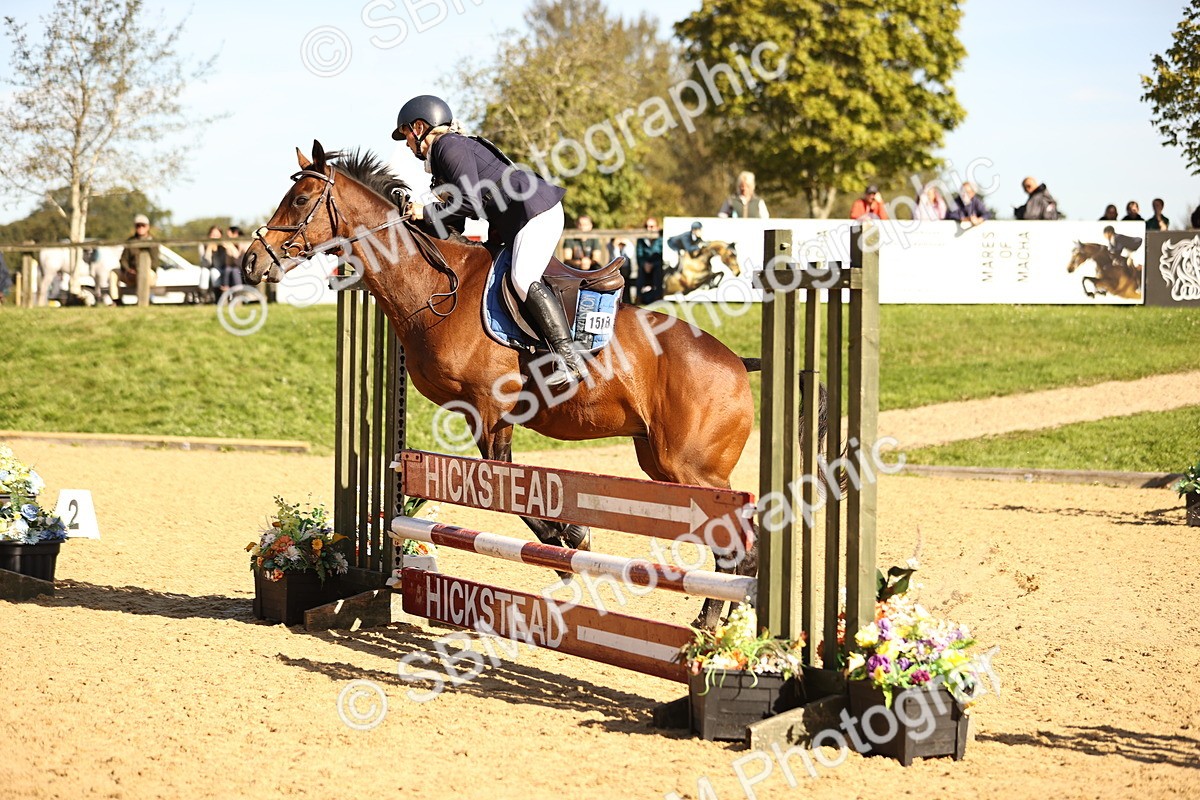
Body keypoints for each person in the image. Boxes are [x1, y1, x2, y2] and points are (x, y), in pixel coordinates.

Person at [392, 94, 585, 386]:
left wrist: (426, 211)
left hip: (535, 211)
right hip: (520, 218)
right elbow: (454, 224)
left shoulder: (447, 145)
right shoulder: (444, 161)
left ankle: (569, 359)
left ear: (419, 127)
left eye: (406, 134)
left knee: (522, 278)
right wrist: (413, 221)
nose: (406, 143)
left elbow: (467, 202)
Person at [112, 214, 159, 301]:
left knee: (146, 274)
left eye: (143, 225)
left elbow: (155, 263)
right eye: (138, 225)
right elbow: (123, 259)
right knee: (114, 273)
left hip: (147, 273)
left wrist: (140, 271)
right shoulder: (130, 241)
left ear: (148, 227)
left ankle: (144, 300)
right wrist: (128, 270)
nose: (140, 228)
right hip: (131, 273)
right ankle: (116, 300)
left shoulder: (153, 242)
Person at [635, 217, 663, 305]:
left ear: (657, 227)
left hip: (657, 266)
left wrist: (653, 264)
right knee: (640, 271)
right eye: (646, 226)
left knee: (658, 270)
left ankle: (658, 297)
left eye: (651, 226)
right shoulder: (641, 240)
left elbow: (662, 256)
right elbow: (639, 255)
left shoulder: (661, 240)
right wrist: (644, 264)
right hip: (645, 266)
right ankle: (638, 298)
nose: (648, 229)